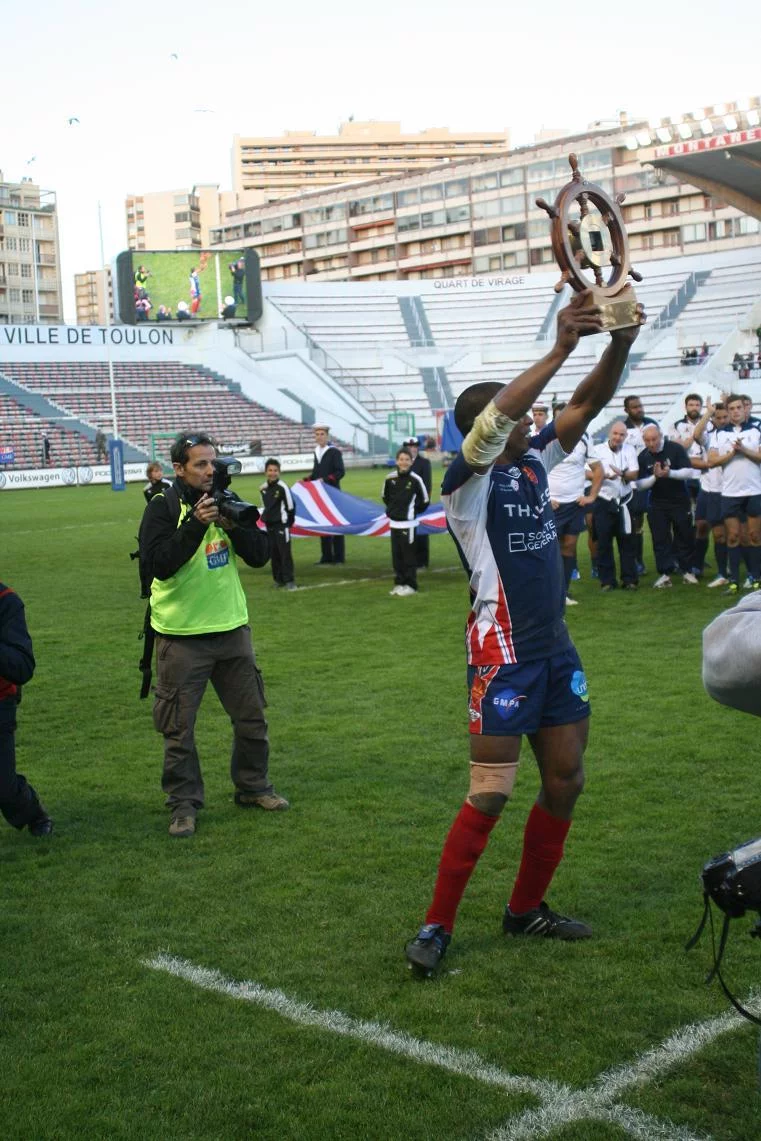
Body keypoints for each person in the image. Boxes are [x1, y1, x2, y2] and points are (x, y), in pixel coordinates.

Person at [404, 293, 645, 976]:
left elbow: (587, 404)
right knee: (490, 792)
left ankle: (525, 908)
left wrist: (620, 341)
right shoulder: (465, 483)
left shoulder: (534, 457)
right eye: (517, 414)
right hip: (501, 653)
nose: (533, 419)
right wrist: (559, 347)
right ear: (485, 427)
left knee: (565, 780)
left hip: (554, 647)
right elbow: (497, 420)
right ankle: (436, 925)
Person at [138, 432, 289, 838]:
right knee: (179, 730)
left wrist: (231, 524)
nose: (209, 470)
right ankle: (183, 805)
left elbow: (260, 555)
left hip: (232, 629)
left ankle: (253, 787)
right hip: (181, 636)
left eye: (213, 462)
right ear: (179, 468)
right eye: (200, 464)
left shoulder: (227, 500)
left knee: (252, 718)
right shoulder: (162, 506)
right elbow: (158, 565)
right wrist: (195, 525)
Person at [0, 581, 52, 837]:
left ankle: (33, 812)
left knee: (4, 788)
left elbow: (22, 666)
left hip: (0, 701)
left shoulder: (6, 601)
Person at [546, 404, 603, 603]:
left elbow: (598, 470)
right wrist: (545, 498)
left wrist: (591, 496)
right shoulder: (545, 439)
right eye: (558, 417)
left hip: (575, 504)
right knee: (549, 549)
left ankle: (563, 592)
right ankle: (548, 593)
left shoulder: (584, 438)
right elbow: (533, 471)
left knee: (569, 546)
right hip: (551, 505)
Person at [708, 393, 761, 594]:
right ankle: (734, 582)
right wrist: (732, 453)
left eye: (739, 407)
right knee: (733, 537)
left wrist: (744, 450)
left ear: (745, 409)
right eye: (731, 409)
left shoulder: (756, 429)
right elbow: (712, 460)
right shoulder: (719, 434)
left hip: (754, 490)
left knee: (754, 536)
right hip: (730, 493)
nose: (736, 411)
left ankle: (755, 578)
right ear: (727, 412)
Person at [634, 425, 697, 588]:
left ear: (660, 436)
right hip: (657, 504)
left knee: (684, 535)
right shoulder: (643, 456)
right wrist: (655, 477)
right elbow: (639, 485)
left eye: (654, 439)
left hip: (680, 501)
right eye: (647, 440)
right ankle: (665, 573)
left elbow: (689, 472)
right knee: (660, 539)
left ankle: (687, 571)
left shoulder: (675, 449)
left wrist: (670, 473)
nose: (651, 443)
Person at [592, 421, 639, 591]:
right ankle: (607, 581)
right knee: (604, 542)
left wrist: (622, 474)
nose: (618, 437)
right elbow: (586, 472)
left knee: (627, 540)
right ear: (609, 433)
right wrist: (603, 476)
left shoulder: (630, 450)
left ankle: (629, 579)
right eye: (615, 433)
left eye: (622, 435)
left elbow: (634, 474)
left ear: (626, 436)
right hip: (604, 500)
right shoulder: (597, 450)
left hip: (625, 500)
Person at [690, 401, 730, 586]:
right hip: (707, 488)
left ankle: (725, 570)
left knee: (723, 532)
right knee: (701, 526)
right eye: (718, 417)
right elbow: (696, 434)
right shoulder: (709, 436)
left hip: (726, 489)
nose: (722, 420)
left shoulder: (734, 435)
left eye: (725, 417)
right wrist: (707, 413)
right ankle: (697, 565)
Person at [383, 447, 429, 596]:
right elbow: (385, 496)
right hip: (394, 524)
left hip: (408, 525)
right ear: (397, 461)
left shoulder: (416, 480)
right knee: (396, 557)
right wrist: (393, 510)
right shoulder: (389, 478)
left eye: (407, 460)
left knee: (408, 556)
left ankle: (411, 585)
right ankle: (399, 583)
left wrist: (412, 512)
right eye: (401, 459)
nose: (404, 462)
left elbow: (425, 500)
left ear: (411, 462)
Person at [623, 395, 659, 575]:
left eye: (640, 406)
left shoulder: (652, 424)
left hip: (656, 480)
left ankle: (670, 560)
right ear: (626, 410)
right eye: (635, 407)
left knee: (661, 521)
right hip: (635, 484)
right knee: (636, 523)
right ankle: (638, 561)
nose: (639, 409)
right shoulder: (623, 429)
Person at [308, 425, 346, 565]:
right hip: (321, 495)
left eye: (322, 434)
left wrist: (326, 479)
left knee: (336, 525)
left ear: (327, 436)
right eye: (317, 434)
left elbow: (340, 472)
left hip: (333, 494)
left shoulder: (334, 452)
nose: (319, 436)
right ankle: (326, 556)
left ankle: (339, 557)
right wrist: (307, 479)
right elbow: (316, 473)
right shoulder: (316, 451)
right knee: (323, 524)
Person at [260, 458, 297, 591]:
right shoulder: (263, 488)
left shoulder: (283, 487)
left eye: (275, 470)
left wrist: (287, 523)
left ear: (279, 472)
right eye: (270, 470)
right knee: (274, 553)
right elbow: (265, 506)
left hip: (282, 525)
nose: (273, 473)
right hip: (269, 525)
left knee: (284, 553)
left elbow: (291, 507)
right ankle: (278, 579)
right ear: (266, 472)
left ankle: (289, 580)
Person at [402, 435, 433, 569]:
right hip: (404, 505)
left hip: (419, 504)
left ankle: (422, 561)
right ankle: (409, 560)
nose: (412, 449)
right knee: (407, 533)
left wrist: (421, 503)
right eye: (409, 447)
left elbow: (427, 484)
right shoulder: (402, 463)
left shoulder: (424, 463)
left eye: (414, 446)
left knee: (421, 533)